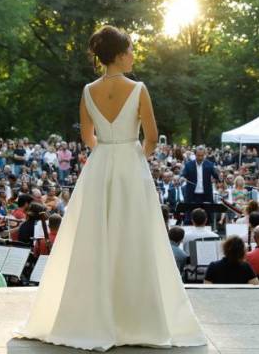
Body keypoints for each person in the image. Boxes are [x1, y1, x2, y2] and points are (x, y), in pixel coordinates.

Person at [15, 25, 207, 350]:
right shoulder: (139, 89)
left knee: (93, 240)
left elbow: (87, 136)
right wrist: (133, 158)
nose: (134, 55)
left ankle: (91, 317)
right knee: (135, 239)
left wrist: (106, 153)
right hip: (130, 167)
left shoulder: (88, 91)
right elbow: (151, 137)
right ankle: (135, 319)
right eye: (130, 49)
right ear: (119, 55)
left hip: (99, 166)